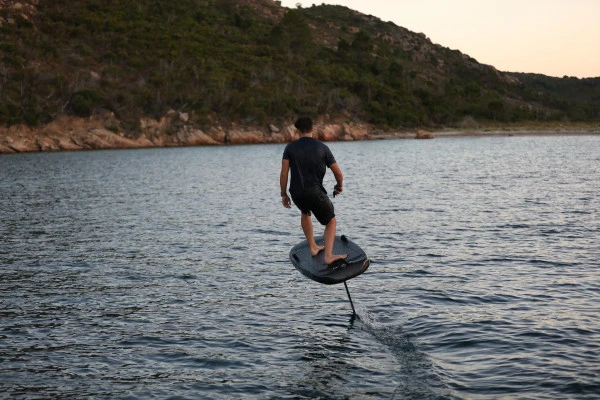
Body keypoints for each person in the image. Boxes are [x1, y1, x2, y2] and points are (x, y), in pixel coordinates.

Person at [280, 117, 347, 265]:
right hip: (314, 191)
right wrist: (339, 185)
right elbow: (338, 173)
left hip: (296, 192)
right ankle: (329, 256)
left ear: (298, 131)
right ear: (312, 129)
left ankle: (313, 247)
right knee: (331, 221)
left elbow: (284, 173)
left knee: (305, 212)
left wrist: (283, 194)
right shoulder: (322, 147)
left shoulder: (289, 148)